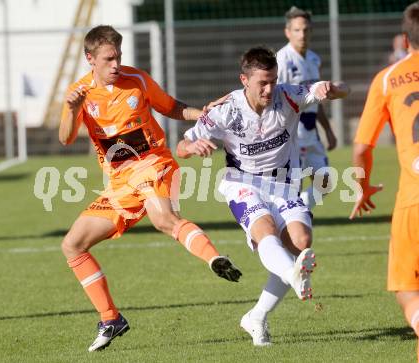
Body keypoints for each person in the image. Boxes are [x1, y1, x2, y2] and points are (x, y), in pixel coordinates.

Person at [59, 25, 242, 352]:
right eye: (108, 58)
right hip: (119, 183)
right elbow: (66, 138)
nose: (116, 64)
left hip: (154, 163)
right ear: (90, 59)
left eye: (118, 56)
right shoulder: (79, 94)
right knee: (73, 245)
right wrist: (72, 109)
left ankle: (215, 259)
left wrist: (204, 115)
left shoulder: (137, 80)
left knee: (163, 219)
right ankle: (111, 318)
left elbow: (172, 107)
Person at [177, 46, 349, 346]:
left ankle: (256, 317)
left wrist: (330, 88)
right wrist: (192, 148)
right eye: (262, 83)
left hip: (284, 184)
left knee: (301, 243)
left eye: (273, 80)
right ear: (244, 79)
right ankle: (292, 275)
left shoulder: (289, 96)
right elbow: (181, 146)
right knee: (266, 231)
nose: (269, 89)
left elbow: (342, 91)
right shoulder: (226, 110)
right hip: (242, 184)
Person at [350, 2, 419, 360]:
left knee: (407, 288)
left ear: (405, 40)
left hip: (414, 201)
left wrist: (363, 187)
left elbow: (361, 149)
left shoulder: (389, 79)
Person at [276, 6, 337, 209]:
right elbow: (274, 99)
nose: (302, 34)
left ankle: (297, 212)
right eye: (297, 30)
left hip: (311, 133)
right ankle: (293, 223)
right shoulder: (282, 60)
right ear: (288, 32)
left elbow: (315, 98)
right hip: (292, 133)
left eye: (306, 30)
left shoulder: (313, 58)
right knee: (294, 184)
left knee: (325, 183)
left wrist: (327, 129)